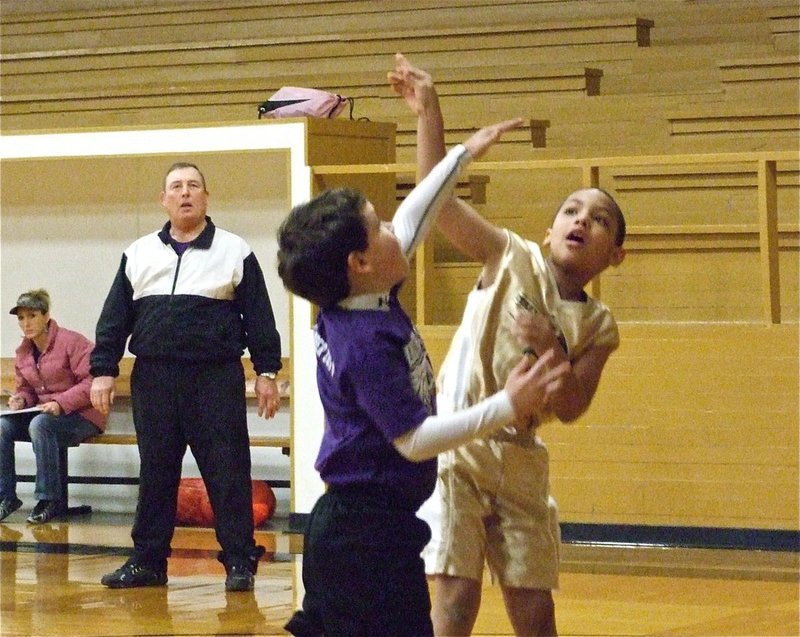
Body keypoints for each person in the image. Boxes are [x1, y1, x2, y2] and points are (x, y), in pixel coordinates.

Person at [277, 74, 570, 636]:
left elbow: (416, 215)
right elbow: (414, 439)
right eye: (377, 225)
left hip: (370, 531)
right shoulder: (363, 344)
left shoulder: (365, 293)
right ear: (360, 261)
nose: (394, 227)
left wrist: (458, 148)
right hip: (360, 537)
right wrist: (508, 404)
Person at [390, 54, 627, 636]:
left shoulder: (599, 324)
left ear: (615, 254)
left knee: (534, 612)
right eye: (571, 210)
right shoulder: (510, 254)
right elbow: (436, 199)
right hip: (461, 443)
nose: (581, 220)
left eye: (599, 220)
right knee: (455, 599)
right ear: (549, 231)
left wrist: (555, 350)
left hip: (523, 458)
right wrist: (430, 115)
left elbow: (571, 409)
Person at [89, 161, 282, 593]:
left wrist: (267, 371)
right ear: (163, 200)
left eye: (193, 186)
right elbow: (114, 319)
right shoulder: (138, 253)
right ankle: (148, 562)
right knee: (157, 472)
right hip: (154, 379)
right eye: (176, 187)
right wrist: (103, 369)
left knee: (227, 470)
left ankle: (238, 561)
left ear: (206, 197)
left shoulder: (236, 250)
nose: (185, 193)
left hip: (214, 379)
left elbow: (260, 318)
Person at [0, 289, 106, 525]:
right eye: (21, 318)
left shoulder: (72, 342)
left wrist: (61, 403)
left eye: (32, 315)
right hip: (47, 414)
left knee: (41, 425)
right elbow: (26, 389)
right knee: (2, 426)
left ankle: (49, 500)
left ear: (46, 316)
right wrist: (21, 400)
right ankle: (5, 497)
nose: (26, 323)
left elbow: (92, 381)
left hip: (84, 415)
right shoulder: (24, 351)